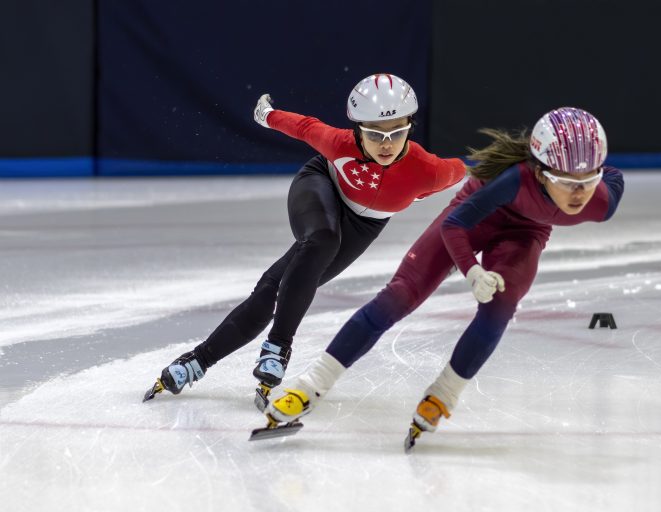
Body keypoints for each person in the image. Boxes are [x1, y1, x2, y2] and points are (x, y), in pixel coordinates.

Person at [261, 107, 625, 448]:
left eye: (588, 178)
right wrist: (472, 270)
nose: (579, 192)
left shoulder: (602, 202)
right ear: (541, 171)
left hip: (526, 234)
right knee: (399, 296)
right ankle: (310, 388)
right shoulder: (514, 180)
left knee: (500, 306)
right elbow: (455, 225)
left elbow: (613, 176)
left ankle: (443, 395)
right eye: (565, 179)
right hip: (472, 217)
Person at [143, 74, 467, 408]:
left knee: (276, 286)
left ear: (410, 128)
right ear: (358, 130)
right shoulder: (339, 143)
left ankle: (196, 361)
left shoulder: (431, 170)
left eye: (396, 133)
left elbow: (472, 177)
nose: (386, 143)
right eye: (374, 134)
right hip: (321, 185)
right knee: (323, 239)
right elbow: (304, 126)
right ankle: (279, 346)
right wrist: (266, 115)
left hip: (364, 226)